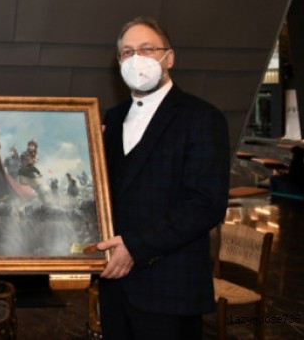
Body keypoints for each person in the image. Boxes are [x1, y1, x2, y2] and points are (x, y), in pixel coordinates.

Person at [95, 17, 230, 339]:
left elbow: (206, 204)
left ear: (169, 58)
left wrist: (136, 246)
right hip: (114, 287)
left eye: (147, 49)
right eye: (127, 52)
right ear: (119, 62)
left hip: (170, 289)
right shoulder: (112, 119)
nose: (136, 59)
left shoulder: (202, 117)